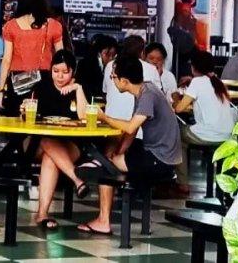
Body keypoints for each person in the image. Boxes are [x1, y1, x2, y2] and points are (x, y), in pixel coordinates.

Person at [77, 56, 182, 235]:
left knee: (107, 169)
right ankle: (100, 162)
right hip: (157, 152)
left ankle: (103, 221)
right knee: (110, 150)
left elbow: (131, 126)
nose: (112, 80)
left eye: (113, 77)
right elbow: (132, 131)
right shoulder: (144, 90)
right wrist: (118, 152)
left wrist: (104, 118)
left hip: (161, 160)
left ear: (124, 81)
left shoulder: (147, 95)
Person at [32, 50, 91, 230]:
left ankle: (42, 214)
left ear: (73, 71)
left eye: (65, 72)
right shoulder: (42, 87)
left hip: (69, 143)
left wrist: (78, 89)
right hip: (39, 142)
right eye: (56, 71)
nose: (60, 76)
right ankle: (77, 179)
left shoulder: (79, 88)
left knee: (50, 157)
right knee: (48, 141)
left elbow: (84, 117)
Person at [0, 0, 64, 114]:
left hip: (18, 81)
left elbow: (6, 60)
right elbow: (61, 58)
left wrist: (0, 90)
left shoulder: (10, 26)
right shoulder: (54, 26)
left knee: (14, 125)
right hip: (45, 81)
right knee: (42, 123)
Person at [173, 51, 238, 144]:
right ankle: (207, 156)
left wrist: (175, 95)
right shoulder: (217, 82)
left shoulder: (197, 82)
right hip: (228, 135)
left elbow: (178, 109)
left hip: (210, 135)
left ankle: (180, 159)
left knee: (177, 130)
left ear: (193, 67)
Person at [102, 35, 162, 123]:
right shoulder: (150, 69)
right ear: (142, 52)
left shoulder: (110, 65)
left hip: (111, 121)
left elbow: (105, 92)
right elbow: (158, 98)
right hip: (137, 126)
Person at [77, 34, 118, 101]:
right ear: (99, 53)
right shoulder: (85, 64)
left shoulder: (114, 66)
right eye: (107, 54)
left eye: (113, 55)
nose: (111, 58)